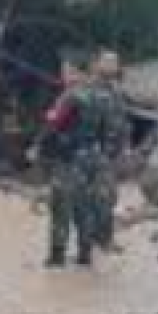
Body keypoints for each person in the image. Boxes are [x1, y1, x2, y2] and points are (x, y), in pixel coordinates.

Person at [34, 55, 105, 268]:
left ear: (76, 72)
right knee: (85, 207)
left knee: (60, 207)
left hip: (69, 158)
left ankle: (57, 258)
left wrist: (36, 145)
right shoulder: (98, 95)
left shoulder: (70, 96)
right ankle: (85, 255)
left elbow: (54, 124)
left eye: (66, 71)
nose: (62, 75)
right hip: (93, 157)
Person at [90, 49, 130, 253]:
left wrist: (126, 148)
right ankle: (99, 239)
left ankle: (101, 237)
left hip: (112, 152)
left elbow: (123, 122)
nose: (112, 66)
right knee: (101, 195)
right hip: (93, 151)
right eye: (107, 61)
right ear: (96, 64)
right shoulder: (88, 90)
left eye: (115, 62)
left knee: (110, 195)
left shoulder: (116, 92)